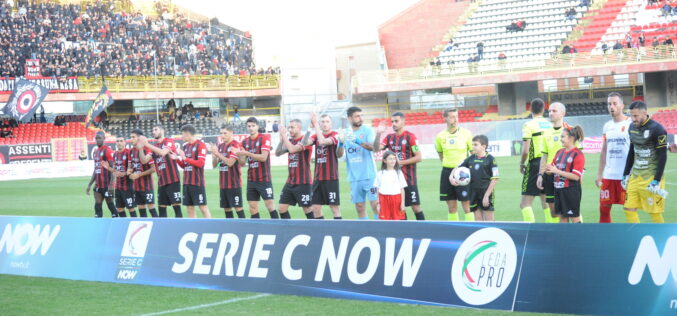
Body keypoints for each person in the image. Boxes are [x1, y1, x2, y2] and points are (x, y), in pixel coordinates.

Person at [622, 101, 669, 223]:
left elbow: (663, 155)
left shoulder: (657, 129)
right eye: (631, 115)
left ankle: (661, 239)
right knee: (628, 208)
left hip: (651, 178)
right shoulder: (631, 127)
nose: (633, 119)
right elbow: (632, 151)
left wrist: (657, 180)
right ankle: (636, 236)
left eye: (636, 116)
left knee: (654, 213)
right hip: (635, 176)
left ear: (645, 113)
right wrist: (626, 173)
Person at [374, 112, 425, 220]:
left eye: (396, 121)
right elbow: (377, 148)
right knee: (399, 209)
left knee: (415, 207)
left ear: (403, 121)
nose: (393, 124)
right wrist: (378, 134)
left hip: (409, 179)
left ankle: (424, 232)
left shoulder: (410, 137)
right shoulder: (389, 138)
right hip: (394, 182)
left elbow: (419, 157)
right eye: (392, 121)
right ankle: (404, 233)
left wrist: (399, 163)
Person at [595, 93, 632, 223]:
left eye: (615, 103)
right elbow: (604, 151)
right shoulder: (607, 126)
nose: (611, 106)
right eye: (609, 104)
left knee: (630, 210)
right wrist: (599, 174)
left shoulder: (631, 124)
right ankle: (604, 237)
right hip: (609, 176)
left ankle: (633, 239)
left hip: (626, 177)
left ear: (622, 105)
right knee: (604, 209)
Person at [338, 107, 379, 220]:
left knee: (376, 205)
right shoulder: (345, 133)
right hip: (354, 177)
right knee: (360, 207)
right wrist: (341, 143)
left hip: (370, 175)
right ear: (349, 118)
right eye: (357, 116)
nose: (361, 118)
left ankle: (380, 231)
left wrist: (357, 140)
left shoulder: (367, 130)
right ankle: (366, 231)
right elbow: (339, 155)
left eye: (361, 115)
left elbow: (373, 148)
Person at [237, 117, 280, 219]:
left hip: (264, 179)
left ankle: (277, 228)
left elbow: (263, 157)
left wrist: (247, 153)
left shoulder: (264, 138)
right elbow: (242, 163)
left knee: (269, 205)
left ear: (257, 126)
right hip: (251, 179)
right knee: (252, 207)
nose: (251, 128)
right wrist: (239, 154)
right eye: (249, 126)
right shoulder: (244, 142)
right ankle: (256, 229)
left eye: (253, 126)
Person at [435, 108, 473, 221]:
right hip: (447, 172)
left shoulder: (466, 134)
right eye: (452, 117)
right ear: (445, 118)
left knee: (467, 206)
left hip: (463, 172)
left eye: (456, 116)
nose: (455, 119)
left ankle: (470, 231)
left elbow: (473, 154)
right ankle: (455, 231)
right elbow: (441, 155)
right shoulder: (440, 136)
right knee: (451, 207)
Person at [138, 125, 183, 218]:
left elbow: (163, 152)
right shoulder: (154, 147)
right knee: (162, 210)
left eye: (155, 129)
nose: (153, 132)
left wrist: (146, 144)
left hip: (172, 180)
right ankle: (164, 231)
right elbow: (144, 160)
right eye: (152, 130)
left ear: (162, 131)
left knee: (177, 209)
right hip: (161, 182)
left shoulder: (169, 141)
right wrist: (141, 148)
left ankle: (179, 230)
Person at [519, 98, 552, 222]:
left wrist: (522, 163)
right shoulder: (550, 124)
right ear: (543, 109)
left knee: (525, 204)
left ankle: (530, 231)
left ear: (530, 109)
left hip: (535, 164)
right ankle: (551, 229)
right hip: (549, 163)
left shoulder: (529, 125)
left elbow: (526, 150)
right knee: (546, 202)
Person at [545, 126, 586, 223]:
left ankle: (580, 238)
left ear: (571, 138)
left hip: (571, 191)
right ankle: (564, 238)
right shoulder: (559, 152)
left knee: (574, 218)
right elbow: (552, 168)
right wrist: (547, 169)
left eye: (563, 137)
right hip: (558, 190)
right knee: (562, 217)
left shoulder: (578, 154)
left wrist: (556, 171)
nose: (560, 139)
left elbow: (576, 176)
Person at [537, 102, 569, 223]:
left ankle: (573, 234)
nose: (550, 113)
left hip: (565, 175)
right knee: (554, 212)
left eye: (554, 111)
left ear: (563, 113)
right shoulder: (546, 133)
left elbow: (578, 154)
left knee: (569, 209)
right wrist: (540, 175)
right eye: (549, 111)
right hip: (549, 175)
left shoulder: (570, 131)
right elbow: (544, 156)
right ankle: (559, 235)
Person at [454, 135, 499, 221]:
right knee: (478, 220)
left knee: (489, 220)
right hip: (473, 192)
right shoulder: (471, 158)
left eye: (475, 144)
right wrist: (451, 177)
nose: (473, 146)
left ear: (483, 146)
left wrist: (486, 195)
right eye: (472, 144)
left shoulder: (490, 159)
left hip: (485, 192)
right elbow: (458, 167)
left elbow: (495, 178)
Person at [275, 119, 314, 219]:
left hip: (303, 182)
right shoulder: (290, 141)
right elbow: (278, 153)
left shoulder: (305, 141)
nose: (290, 129)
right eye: (289, 127)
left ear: (299, 128)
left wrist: (284, 135)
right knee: (281, 208)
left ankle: (315, 231)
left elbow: (292, 149)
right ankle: (288, 231)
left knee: (308, 209)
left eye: (292, 127)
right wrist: (282, 140)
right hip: (290, 181)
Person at [307, 113, 342, 219]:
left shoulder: (336, 135)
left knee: (334, 208)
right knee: (315, 208)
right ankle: (321, 232)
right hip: (318, 178)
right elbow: (304, 143)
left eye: (327, 121)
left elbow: (322, 141)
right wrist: (310, 128)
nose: (325, 124)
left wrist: (316, 125)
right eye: (322, 122)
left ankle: (339, 232)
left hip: (331, 177)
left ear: (331, 123)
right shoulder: (315, 136)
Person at [171, 124, 211, 218]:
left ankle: (210, 227)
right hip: (186, 182)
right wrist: (177, 159)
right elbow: (185, 166)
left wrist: (185, 158)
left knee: (203, 207)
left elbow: (200, 163)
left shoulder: (200, 145)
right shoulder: (185, 146)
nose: (181, 136)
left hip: (197, 182)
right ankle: (194, 228)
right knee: (189, 208)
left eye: (183, 134)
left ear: (188, 134)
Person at [209, 125, 245, 219]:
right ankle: (231, 229)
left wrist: (217, 154)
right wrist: (214, 156)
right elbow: (214, 165)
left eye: (225, 133)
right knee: (227, 209)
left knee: (238, 209)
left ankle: (245, 229)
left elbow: (230, 163)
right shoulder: (220, 146)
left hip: (234, 184)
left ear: (231, 133)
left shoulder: (236, 145)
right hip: (223, 184)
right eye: (221, 133)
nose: (222, 135)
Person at [86, 131, 118, 218]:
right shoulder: (95, 152)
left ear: (104, 138)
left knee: (111, 206)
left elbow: (113, 169)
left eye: (99, 138)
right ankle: (98, 225)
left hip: (107, 185)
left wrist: (111, 185)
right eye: (96, 138)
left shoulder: (107, 151)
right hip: (98, 186)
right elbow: (96, 170)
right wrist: (89, 184)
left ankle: (117, 223)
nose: (97, 140)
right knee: (97, 206)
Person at [129, 129, 158, 218]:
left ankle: (158, 227)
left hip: (147, 186)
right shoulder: (131, 151)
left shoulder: (147, 150)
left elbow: (153, 169)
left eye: (133, 137)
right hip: (136, 186)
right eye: (131, 137)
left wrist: (139, 175)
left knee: (151, 208)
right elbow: (131, 167)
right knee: (141, 209)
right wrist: (130, 173)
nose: (131, 139)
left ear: (139, 138)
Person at [373, 151, 407, 220]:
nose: (393, 161)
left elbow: (402, 189)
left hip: (396, 199)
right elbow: (377, 189)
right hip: (384, 200)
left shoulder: (398, 173)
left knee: (397, 220)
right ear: (385, 160)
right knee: (385, 221)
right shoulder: (380, 174)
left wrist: (402, 203)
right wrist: (378, 203)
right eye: (390, 159)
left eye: (394, 158)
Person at [112, 135, 136, 217]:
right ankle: (124, 225)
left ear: (125, 142)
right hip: (118, 187)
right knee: (119, 208)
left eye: (121, 141)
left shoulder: (128, 153)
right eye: (117, 141)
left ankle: (135, 225)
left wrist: (124, 173)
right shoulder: (115, 154)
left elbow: (132, 168)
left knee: (131, 208)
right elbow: (114, 169)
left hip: (128, 186)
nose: (119, 143)